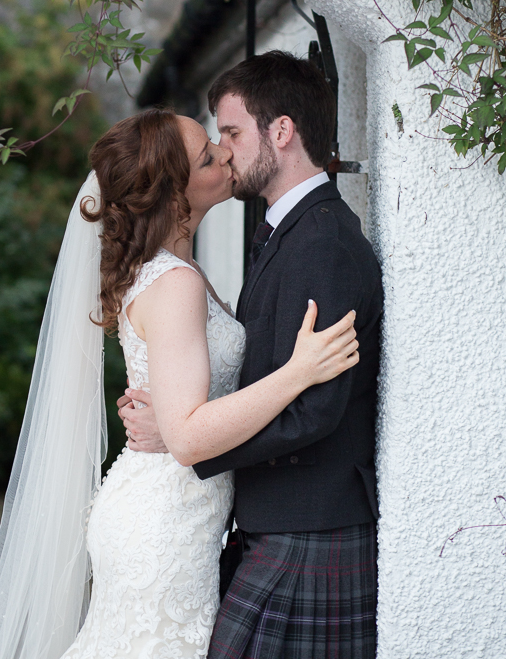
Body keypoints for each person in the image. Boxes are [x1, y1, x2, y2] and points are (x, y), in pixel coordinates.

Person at [0, 106, 358, 659]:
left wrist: (167, 421)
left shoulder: (175, 270)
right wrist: (298, 374)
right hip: (164, 530)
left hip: (169, 513)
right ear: (176, 196)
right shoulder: (175, 283)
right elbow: (192, 437)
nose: (224, 153)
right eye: (207, 156)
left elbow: (186, 410)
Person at [120, 52, 383, 659]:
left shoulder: (323, 243)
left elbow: (313, 410)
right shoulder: (286, 232)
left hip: (309, 526)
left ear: (282, 131)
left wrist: (180, 433)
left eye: (232, 133)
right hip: (277, 522)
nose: (226, 150)